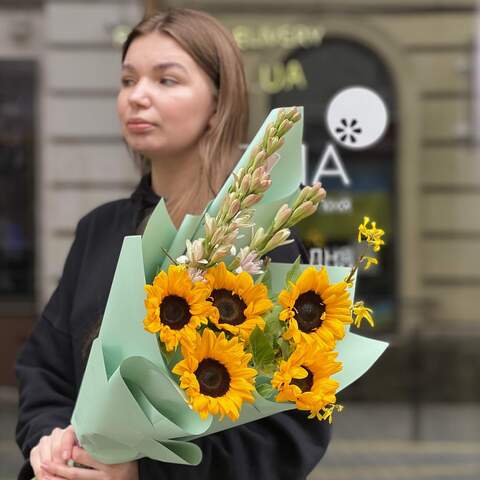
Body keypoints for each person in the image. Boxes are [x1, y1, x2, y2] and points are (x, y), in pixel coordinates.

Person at [15, 8, 331, 480]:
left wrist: (144, 472)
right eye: (128, 80)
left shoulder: (256, 239)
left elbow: (293, 429)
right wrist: (51, 438)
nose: (137, 96)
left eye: (166, 81)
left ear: (218, 102)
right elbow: (46, 373)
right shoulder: (99, 231)